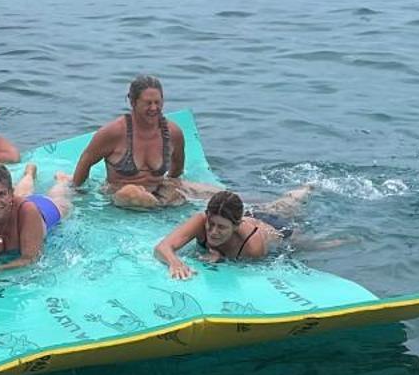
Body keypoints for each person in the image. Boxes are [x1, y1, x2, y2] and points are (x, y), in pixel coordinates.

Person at [68, 75, 213, 209]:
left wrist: (175, 188)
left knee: (218, 195)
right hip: (122, 195)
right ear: (133, 102)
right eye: (148, 103)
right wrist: (78, 194)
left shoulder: (173, 133)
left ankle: (162, 205)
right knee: (132, 193)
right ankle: (160, 208)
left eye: (158, 102)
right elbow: (85, 161)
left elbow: (176, 170)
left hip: (157, 191)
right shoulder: (113, 132)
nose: (154, 108)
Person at [155, 188, 313, 279]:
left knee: (313, 243)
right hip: (247, 215)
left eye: (221, 228)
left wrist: (222, 258)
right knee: (274, 206)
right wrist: (174, 262)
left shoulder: (252, 247)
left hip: (277, 229)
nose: (213, 232)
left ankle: (307, 189)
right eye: (211, 224)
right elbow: (162, 247)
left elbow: (250, 270)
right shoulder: (202, 220)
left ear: (236, 226)